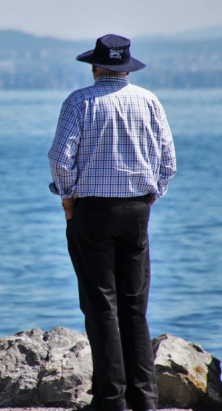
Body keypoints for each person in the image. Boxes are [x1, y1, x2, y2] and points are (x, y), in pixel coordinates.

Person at [48, 34, 176, 411]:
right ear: (127, 67)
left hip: (92, 210)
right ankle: (145, 399)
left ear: (95, 66)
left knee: (101, 306)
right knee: (135, 308)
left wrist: (67, 197)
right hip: (138, 211)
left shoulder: (79, 101)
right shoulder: (149, 100)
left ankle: (111, 400)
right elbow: (168, 162)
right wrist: (151, 196)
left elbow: (59, 157)